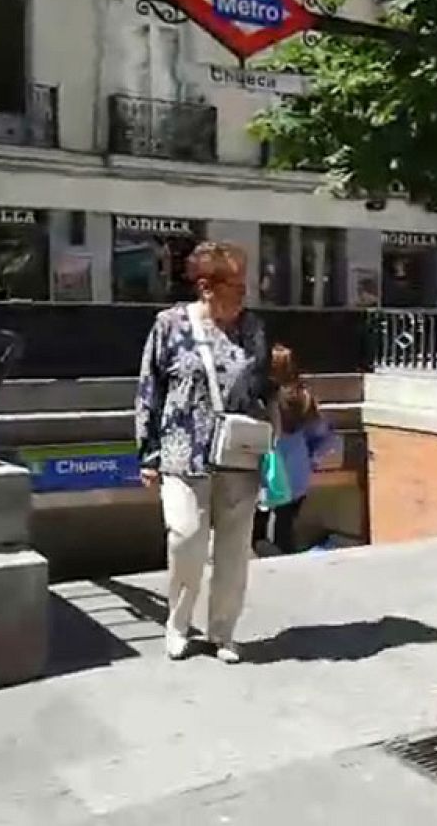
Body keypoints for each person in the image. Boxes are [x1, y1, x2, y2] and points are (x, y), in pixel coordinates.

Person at [135, 241, 272, 665]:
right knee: (187, 539)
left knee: (234, 550)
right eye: (236, 284)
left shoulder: (253, 328)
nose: (244, 292)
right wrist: (148, 453)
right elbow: (149, 388)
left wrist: (268, 426)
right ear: (206, 287)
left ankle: (223, 633)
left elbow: (262, 386)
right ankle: (177, 626)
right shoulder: (170, 324)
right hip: (182, 452)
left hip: (238, 454)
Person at [253, 344, 334, 555]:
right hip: (297, 471)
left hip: (265, 470)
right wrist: (312, 459)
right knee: (285, 527)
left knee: (255, 526)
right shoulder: (303, 397)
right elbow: (323, 435)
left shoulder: (263, 397)